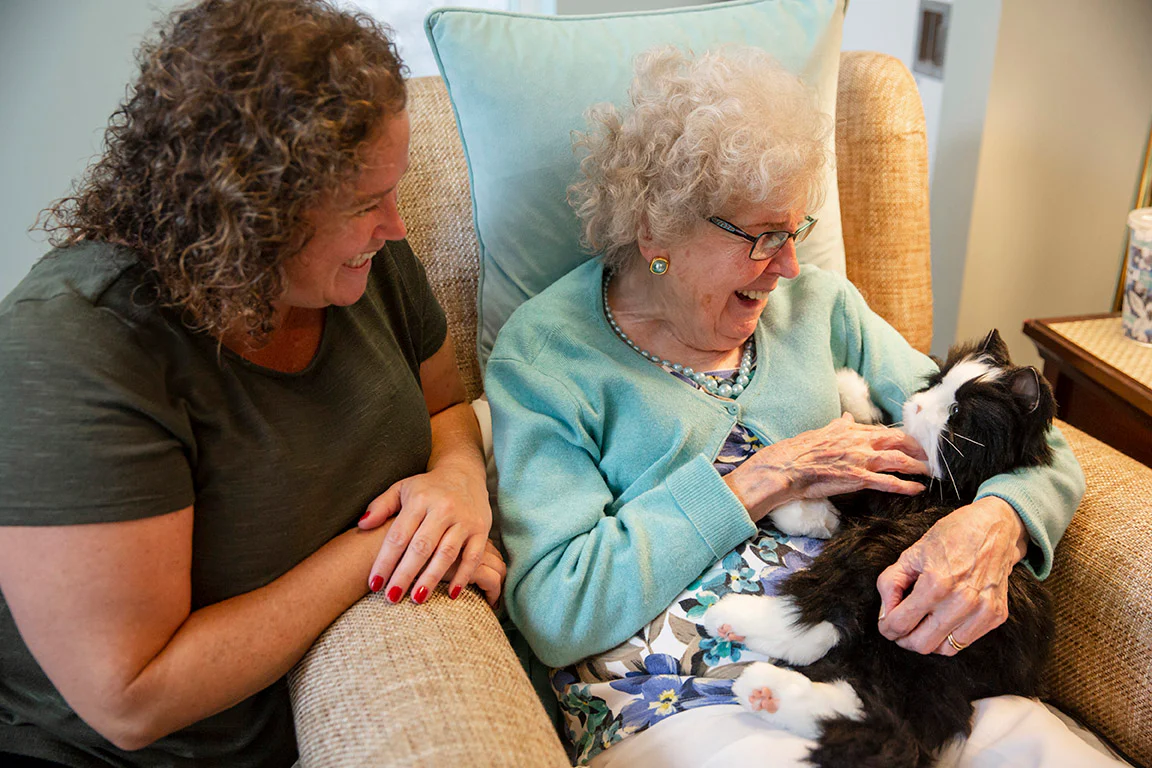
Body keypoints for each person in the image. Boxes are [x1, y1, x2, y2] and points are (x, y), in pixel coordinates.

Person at [485, 47, 1118, 767]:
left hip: (900, 674)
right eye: (761, 237)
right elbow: (557, 609)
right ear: (656, 231)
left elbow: (1029, 446)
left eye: (795, 233)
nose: (788, 268)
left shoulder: (819, 305)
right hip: (702, 705)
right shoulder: (548, 358)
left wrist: (995, 522)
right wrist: (760, 479)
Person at [0, 1, 504, 765]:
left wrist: (459, 483)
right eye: (368, 204)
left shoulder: (357, 265)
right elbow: (131, 699)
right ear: (250, 212)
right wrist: (382, 551)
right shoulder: (76, 347)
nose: (398, 227)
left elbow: (443, 406)